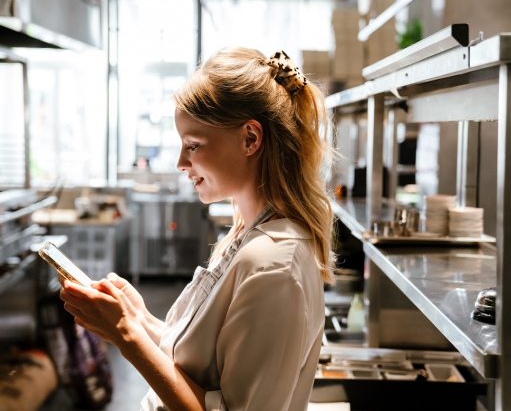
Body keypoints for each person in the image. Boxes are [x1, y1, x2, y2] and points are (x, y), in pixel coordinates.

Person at [59, 47, 335, 411]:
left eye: (194, 145)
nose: (181, 162)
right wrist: (139, 319)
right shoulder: (246, 235)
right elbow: (201, 368)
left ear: (250, 139)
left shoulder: (274, 265)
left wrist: (127, 336)